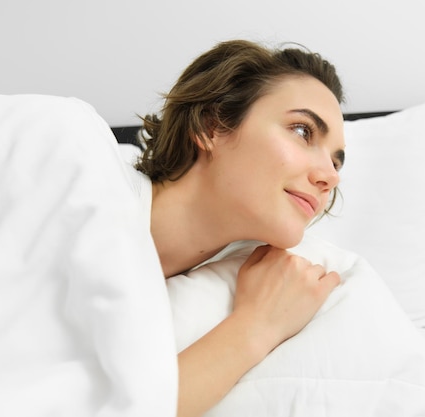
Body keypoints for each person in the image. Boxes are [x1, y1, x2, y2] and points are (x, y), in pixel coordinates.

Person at [133, 39, 347, 417]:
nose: (330, 177)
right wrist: (255, 328)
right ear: (211, 126)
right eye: (302, 131)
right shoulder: (75, 182)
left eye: (336, 162)